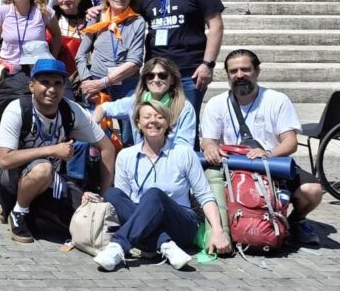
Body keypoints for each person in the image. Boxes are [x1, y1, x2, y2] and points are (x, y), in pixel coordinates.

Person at [198, 49, 323, 245]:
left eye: (245, 69)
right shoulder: (216, 103)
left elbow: (290, 142)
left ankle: (297, 220)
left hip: (271, 165)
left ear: (257, 71)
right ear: (228, 75)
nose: (239, 75)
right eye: (234, 71)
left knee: (312, 190)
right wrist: (210, 147)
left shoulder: (277, 99)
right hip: (232, 167)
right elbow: (208, 140)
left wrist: (269, 153)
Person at [94, 99, 231, 271]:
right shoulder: (126, 155)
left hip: (181, 221)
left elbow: (205, 195)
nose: (153, 121)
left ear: (168, 123)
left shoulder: (183, 153)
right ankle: (165, 245)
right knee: (112, 193)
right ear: (138, 123)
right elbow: (124, 201)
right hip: (143, 221)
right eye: (147, 117)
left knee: (153, 194)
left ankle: (118, 246)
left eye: (159, 117)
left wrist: (218, 231)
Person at [0, 58, 116, 243]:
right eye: (45, 82)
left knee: (87, 219)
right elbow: (5, 160)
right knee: (43, 168)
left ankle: (33, 210)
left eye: (58, 84)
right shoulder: (17, 109)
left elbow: (107, 147)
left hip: (52, 180)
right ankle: (18, 211)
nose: (51, 89)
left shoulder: (71, 111)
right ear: (31, 85)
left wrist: (104, 194)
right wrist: (52, 150)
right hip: (10, 176)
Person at [138, 0, 224, 115]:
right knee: (158, 124)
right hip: (157, 73)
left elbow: (216, 25)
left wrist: (208, 64)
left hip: (190, 72)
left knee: (189, 125)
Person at [93, 57, 196, 149]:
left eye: (162, 76)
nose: (156, 80)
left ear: (172, 79)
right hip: (141, 158)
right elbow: (103, 108)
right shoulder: (135, 101)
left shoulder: (184, 107)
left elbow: (185, 146)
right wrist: (93, 127)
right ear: (145, 80)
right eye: (150, 76)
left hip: (172, 163)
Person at [76, 0, 145, 111]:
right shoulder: (96, 18)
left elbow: (135, 61)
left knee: (128, 130)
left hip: (126, 84)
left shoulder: (137, 21)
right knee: (97, 129)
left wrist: (102, 83)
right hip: (95, 82)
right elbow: (81, 55)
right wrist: (86, 81)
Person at [0, 0, 62, 76]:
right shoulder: (2, 11)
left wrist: (52, 58)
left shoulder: (44, 11)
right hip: (9, 68)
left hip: (37, 68)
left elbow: (57, 36)